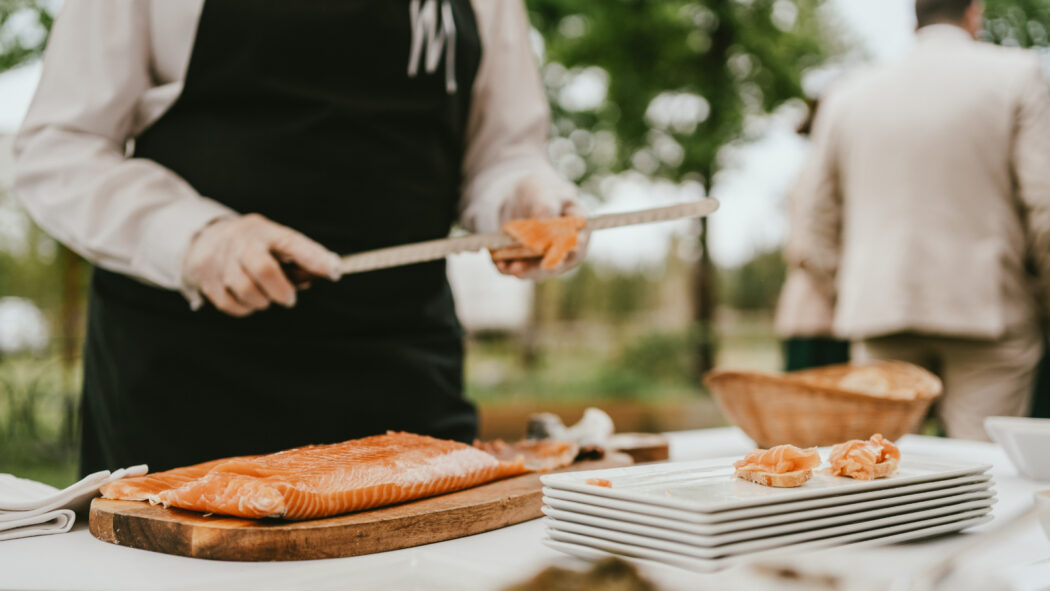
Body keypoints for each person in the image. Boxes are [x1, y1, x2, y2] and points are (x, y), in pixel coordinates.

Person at [14, 0, 585, 475]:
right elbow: (59, 148)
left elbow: (503, 152)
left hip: (406, 375)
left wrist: (521, 198)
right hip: (190, 386)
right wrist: (198, 239)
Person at [795, 0, 1050, 440]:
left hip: (878, 312)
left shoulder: (848, 93)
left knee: (882, 476)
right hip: (989, 315)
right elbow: (1044, 206)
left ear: (914, 17)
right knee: (983, 479)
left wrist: (852, 288)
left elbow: (814, 219)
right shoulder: (1019, 75)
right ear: (975, 12)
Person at [775, 100, 850, 372]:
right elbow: (807, 249)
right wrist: (840, 293)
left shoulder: (809, 172)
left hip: (815, 315)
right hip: (819, 317)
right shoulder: (818, 174)